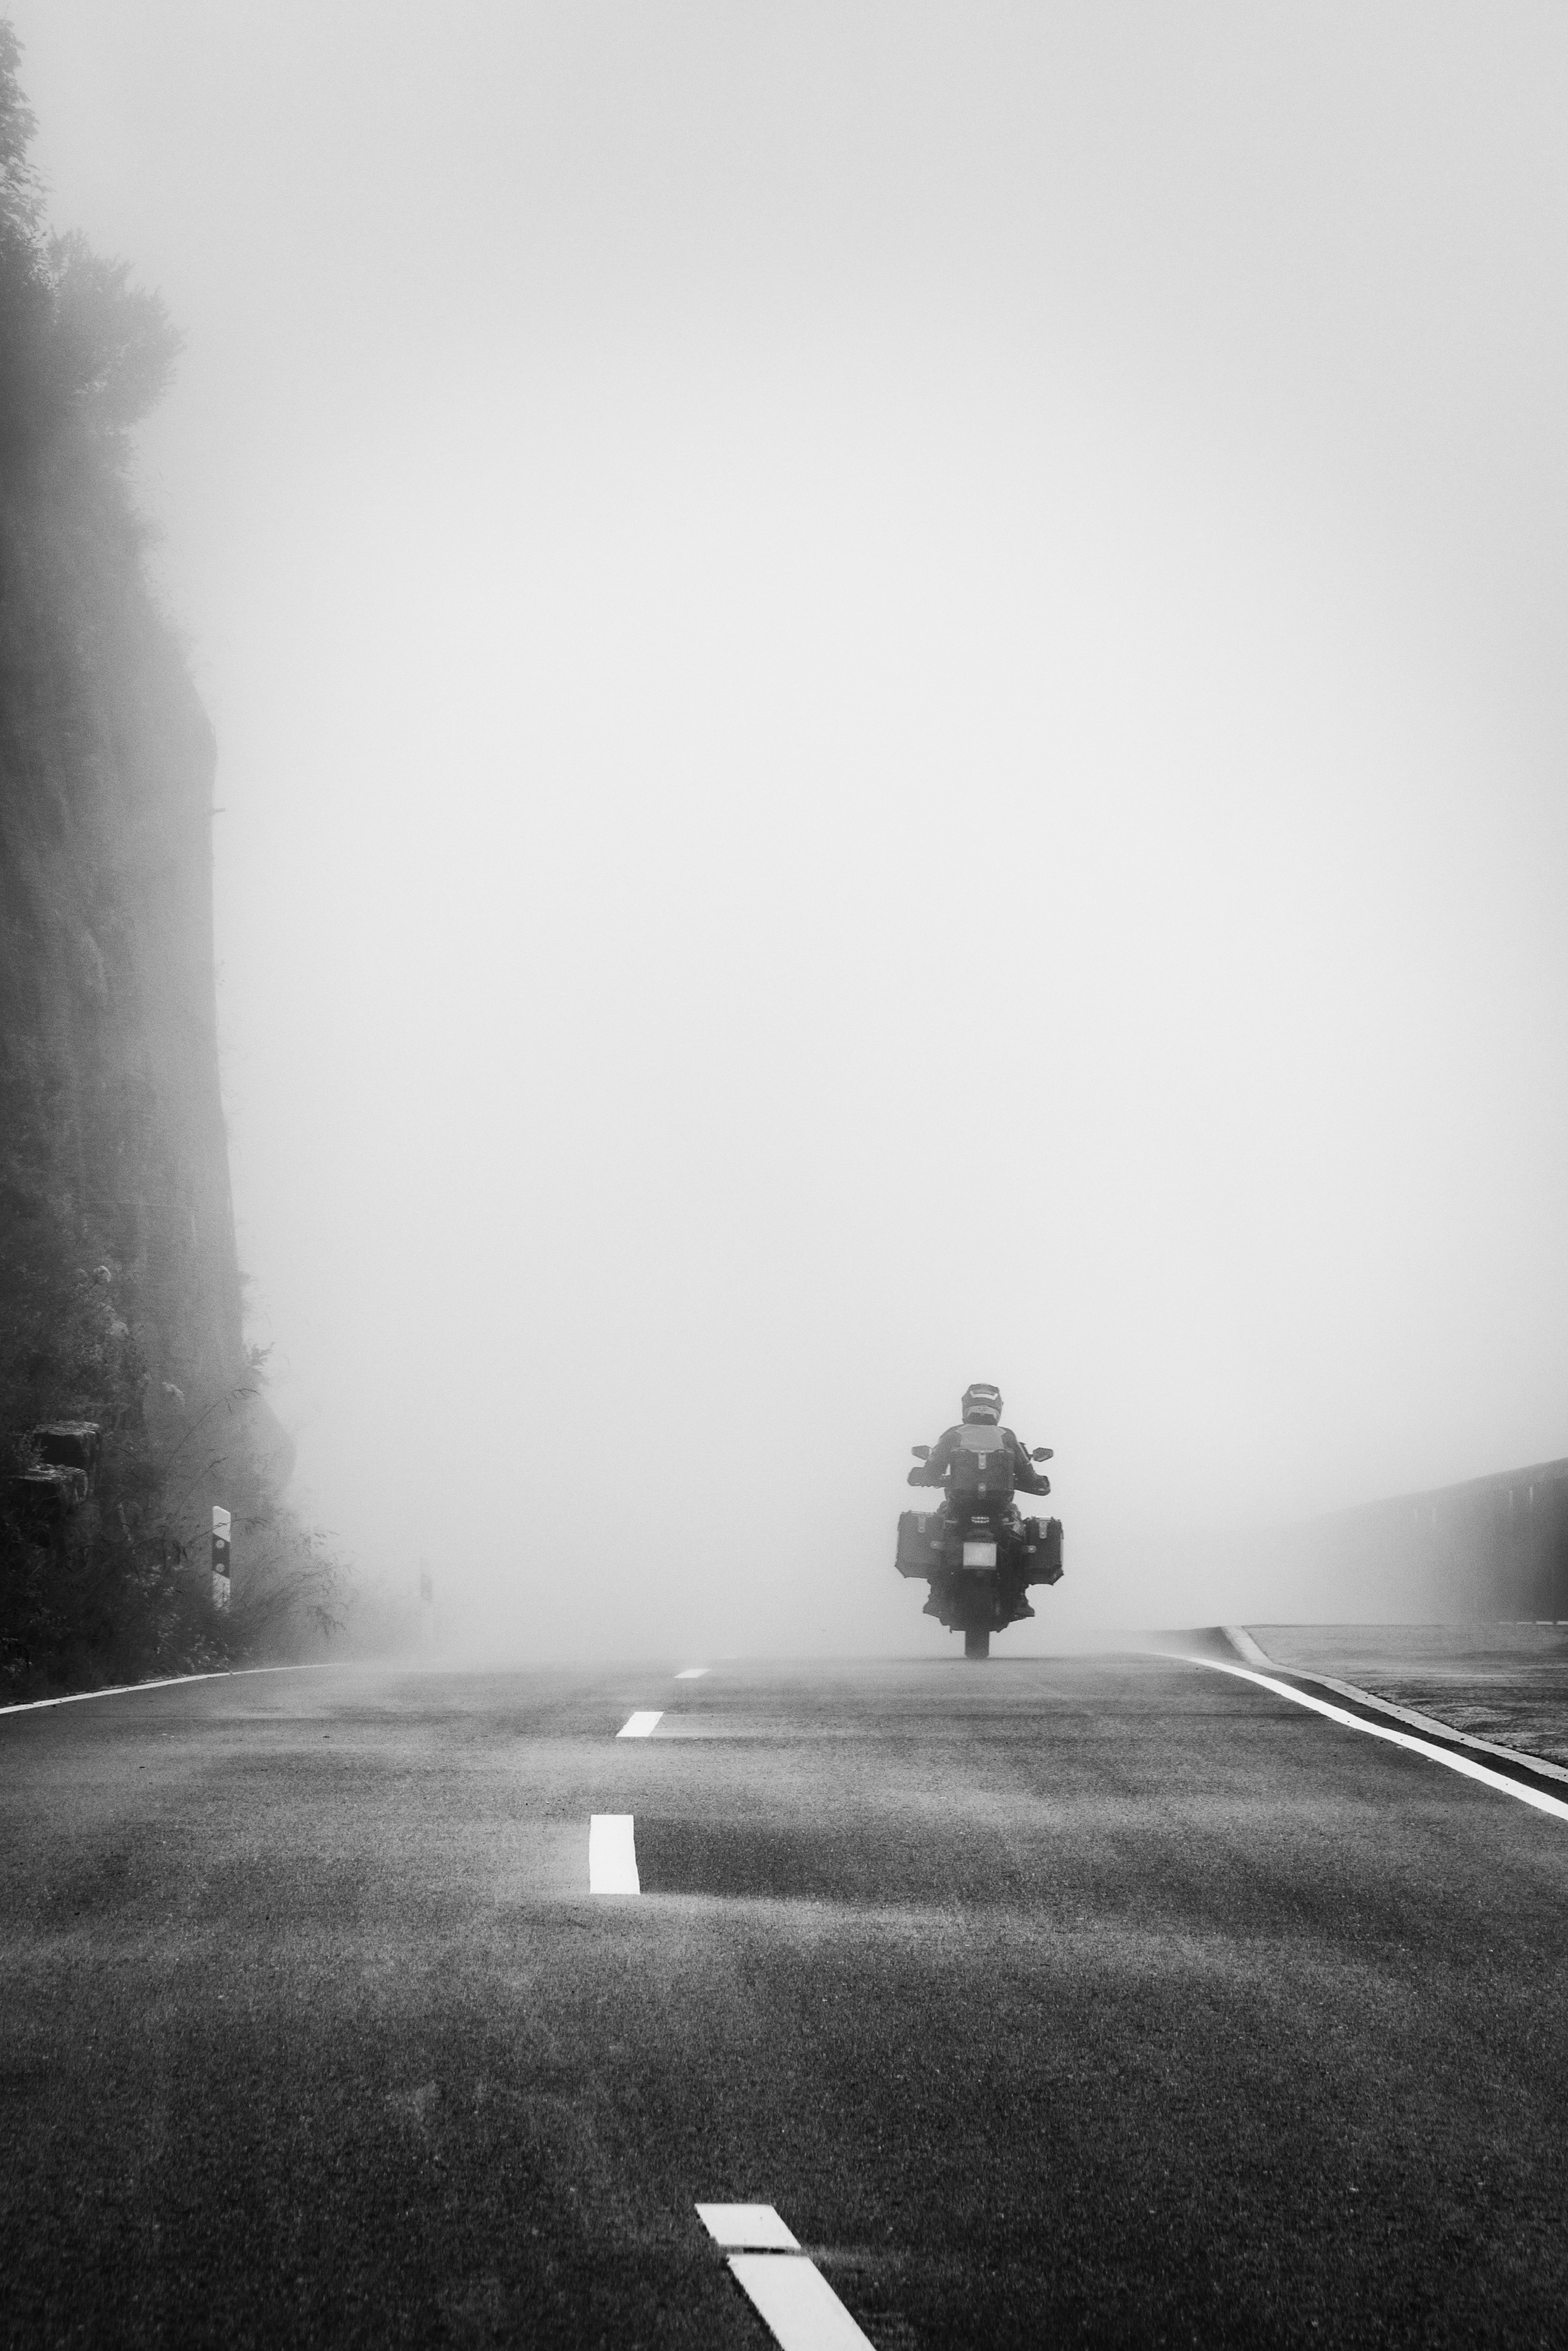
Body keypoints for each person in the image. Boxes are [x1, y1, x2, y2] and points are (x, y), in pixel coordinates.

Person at [908, 1382, 1052, 1500]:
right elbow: (1027, 1475)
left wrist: (921, 1475)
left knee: (937, 1527)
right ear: (998, 1408)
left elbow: (933, 1469)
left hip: (960, 1510)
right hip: (1000, 1513)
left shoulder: (954, 1434)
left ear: (966, 1406)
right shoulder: (1006, 1435)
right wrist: (1039, 1482)